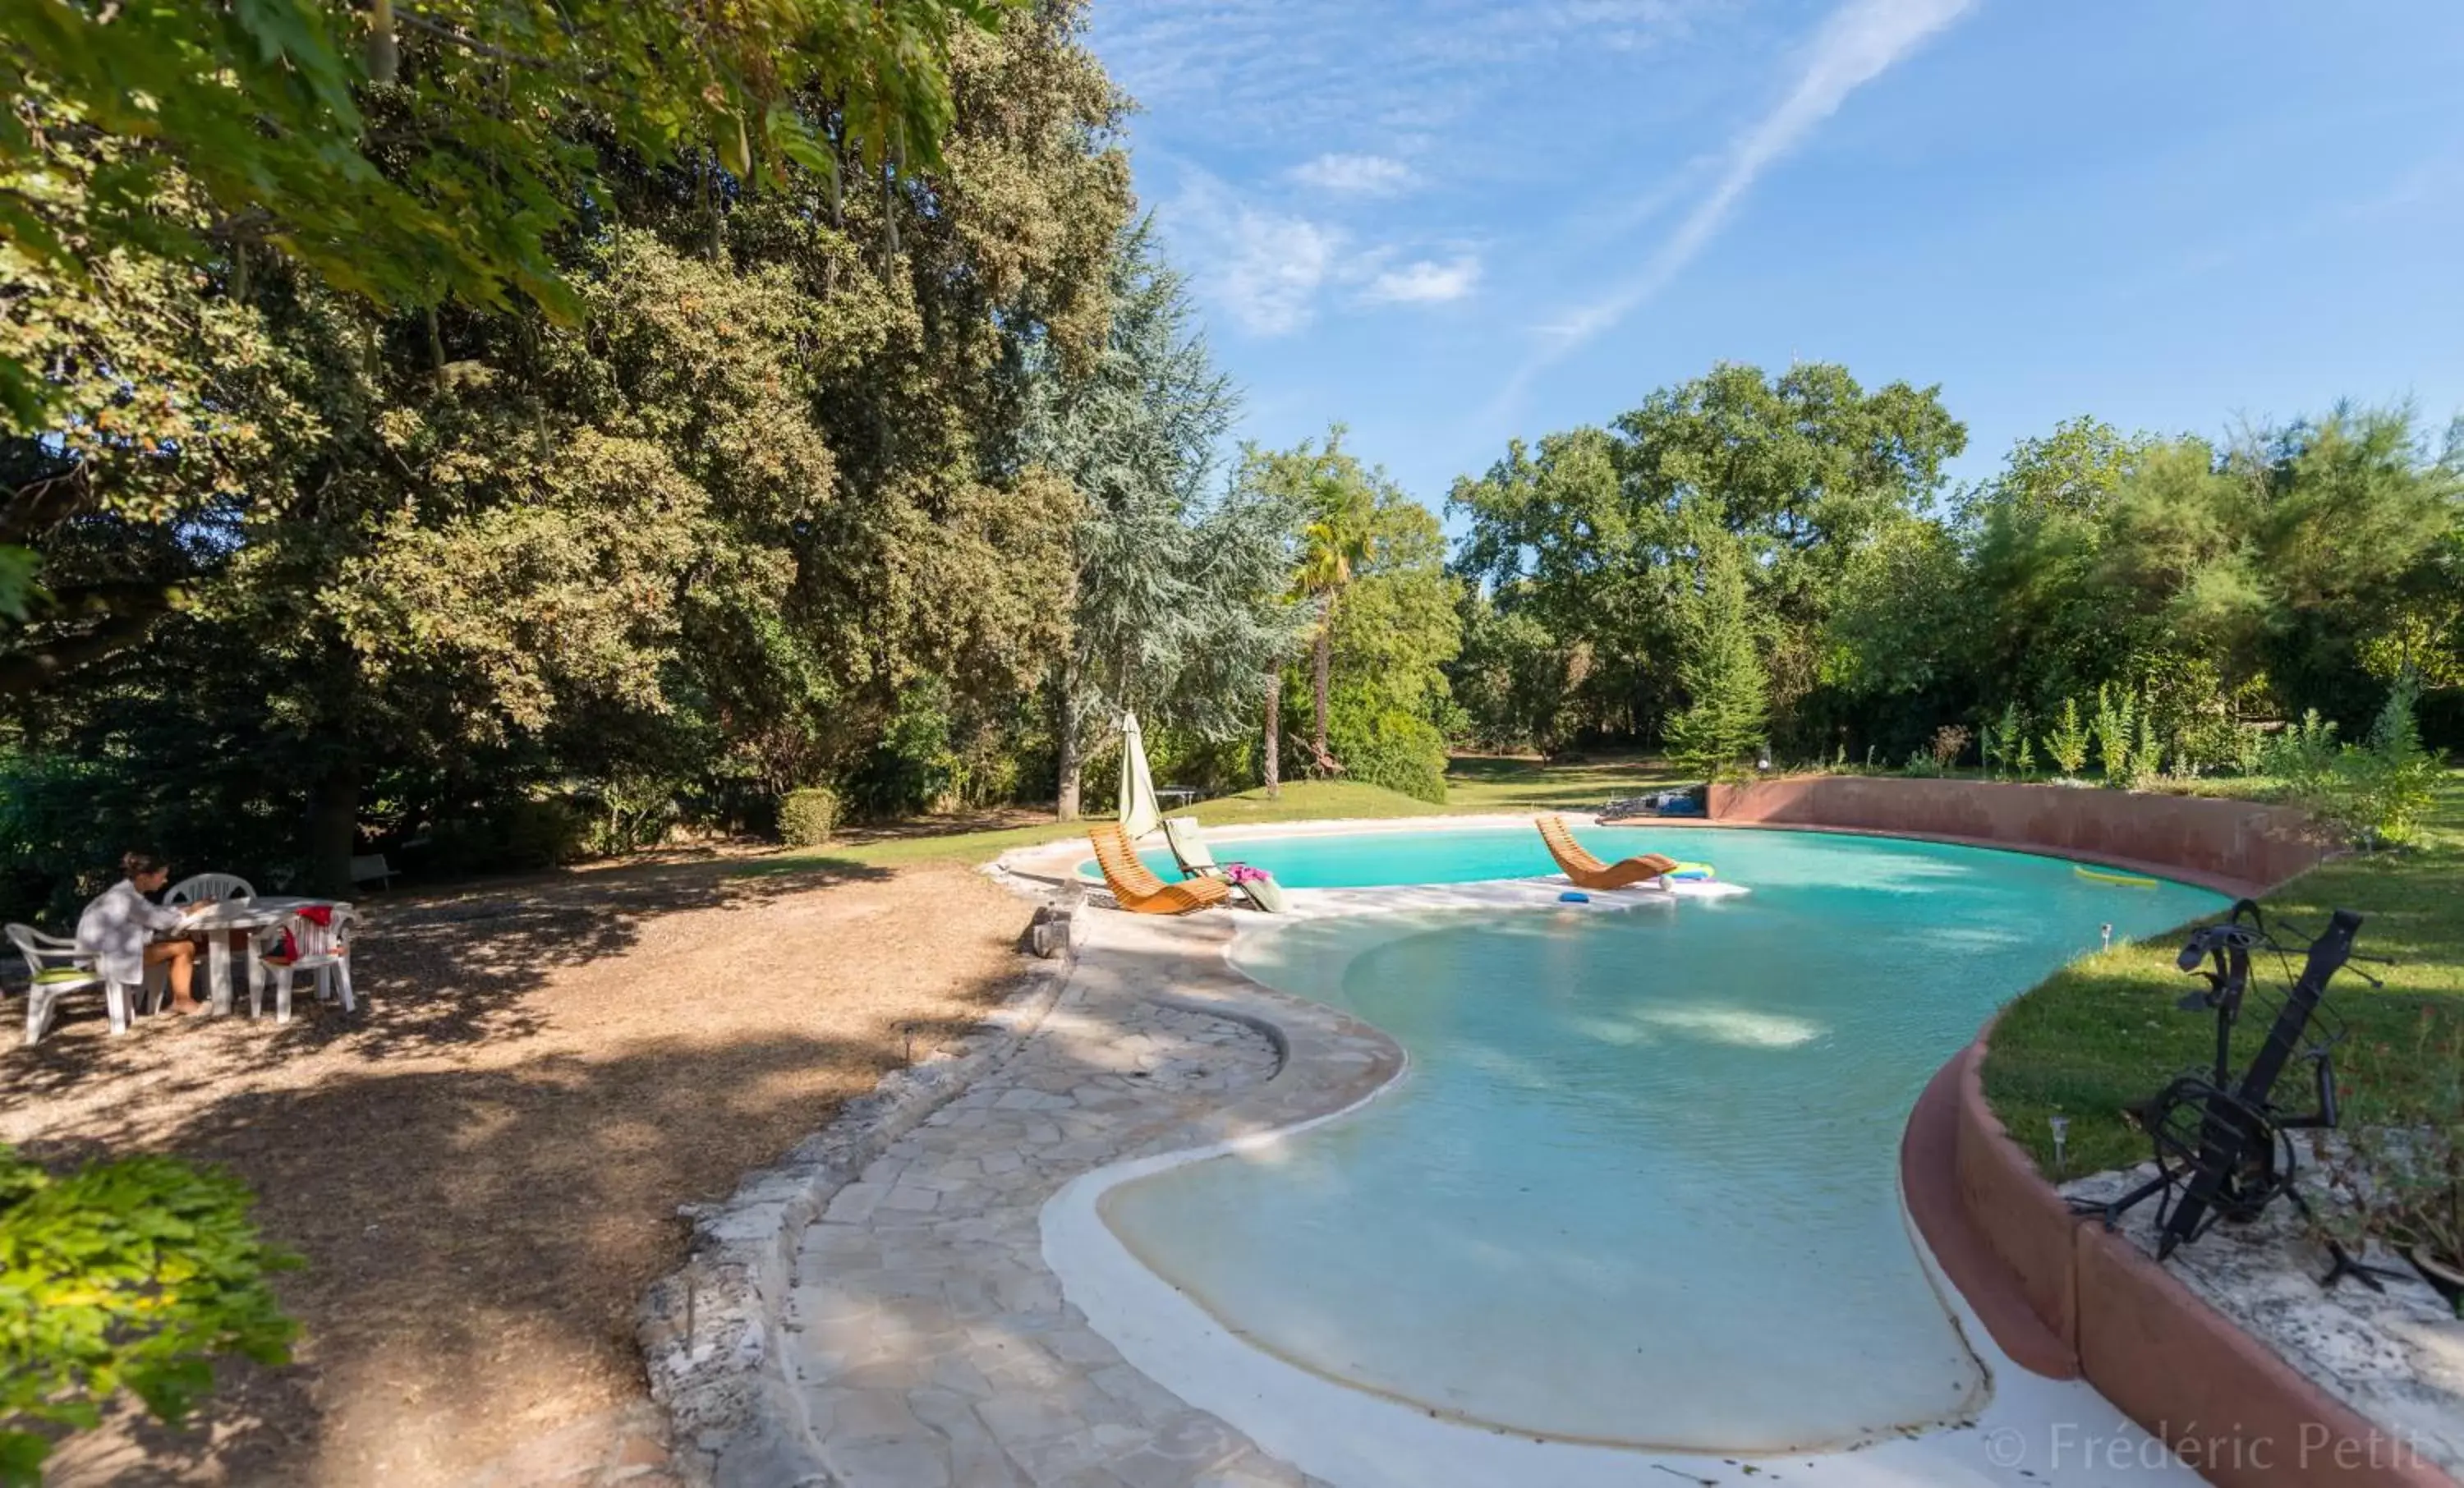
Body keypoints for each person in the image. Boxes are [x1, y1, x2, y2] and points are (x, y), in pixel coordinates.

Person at [76, 850, 213, 1016]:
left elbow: (152, 913)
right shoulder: (126, 898)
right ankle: (182, 1001)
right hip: (107, 959)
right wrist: (190, 911)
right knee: (185, 947)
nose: (165, 880)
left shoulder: (123, 893)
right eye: (161, 876)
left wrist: (183, 910)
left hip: (102, 954)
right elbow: (160, 921)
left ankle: (180, 1000)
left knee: (178, 943)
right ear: (143, 878)